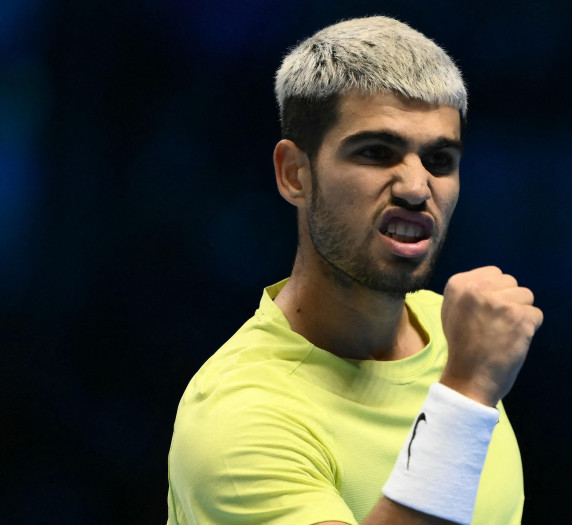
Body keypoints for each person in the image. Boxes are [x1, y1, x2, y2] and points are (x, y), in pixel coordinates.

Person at [166, 16, 541, 525]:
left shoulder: (459, 333)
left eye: (439, 159)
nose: (415, 187)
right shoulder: (239, 414)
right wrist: (467, 393)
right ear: (295, 174)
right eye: (376, 153)